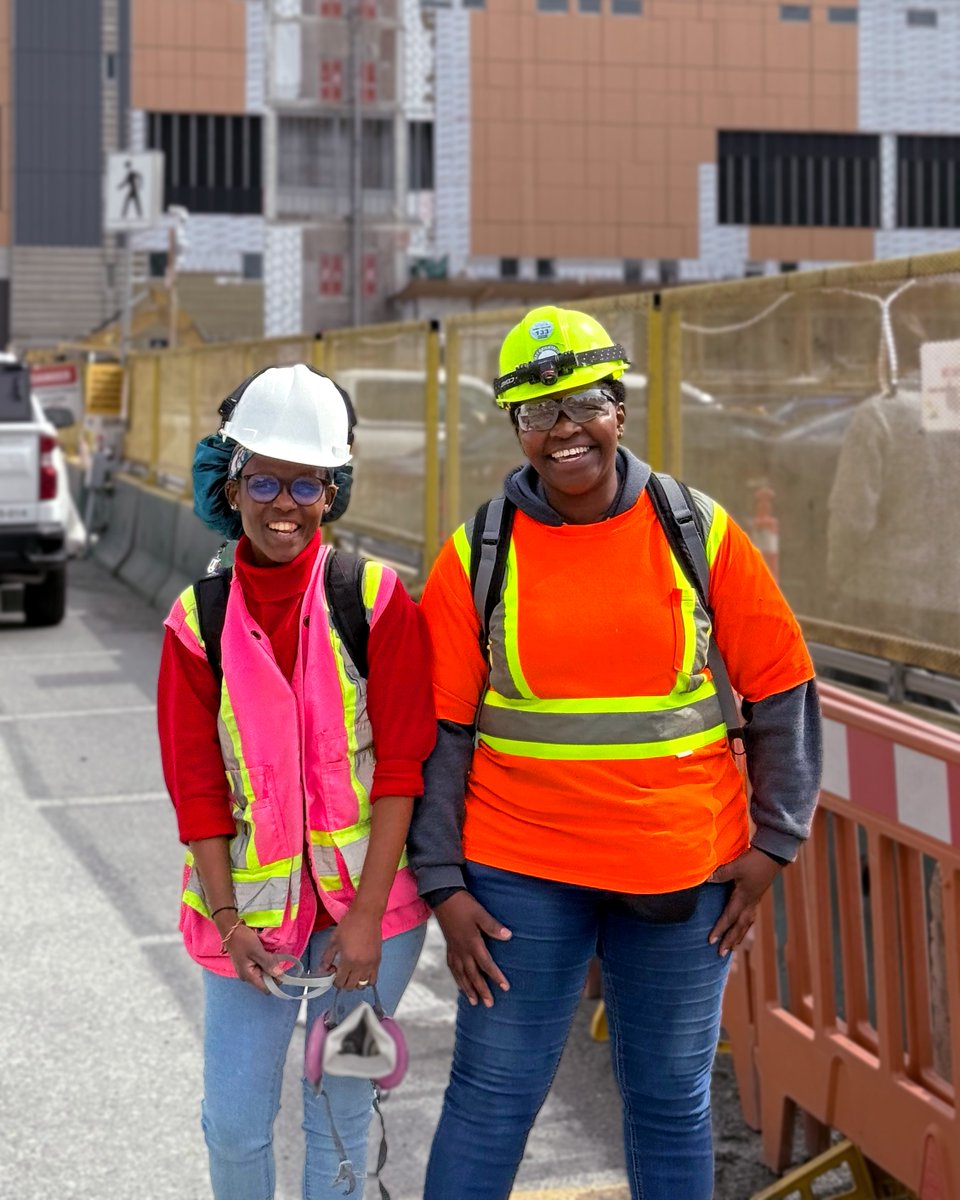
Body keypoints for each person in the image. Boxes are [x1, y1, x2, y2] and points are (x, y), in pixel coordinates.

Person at [408, 307, 822, 1200]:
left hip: (683, 868)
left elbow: (783, 682)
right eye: (536, 411)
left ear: (619, 410)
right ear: (514, 427)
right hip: (519, 875)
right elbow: (438, 731)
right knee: (492, 1098)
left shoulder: (696, 531)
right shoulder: (479, 553)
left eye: (584, 403)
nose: (564, 429)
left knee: (671, 1103)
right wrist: (441, 882)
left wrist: (774, 843)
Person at [157, 363, 434, 1200]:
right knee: (234, 1124)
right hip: (249, 927)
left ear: (331, 492)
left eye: (306, 484)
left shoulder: (374, 600)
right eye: (265, 482)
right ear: (232, 486)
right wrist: (228, 920)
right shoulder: (196, 621)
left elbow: (402, 769)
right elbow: (196, 789)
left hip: (372, 922)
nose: (286, 504)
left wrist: (365, 922)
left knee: (338, 1118)